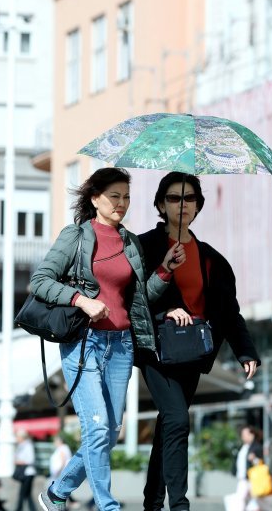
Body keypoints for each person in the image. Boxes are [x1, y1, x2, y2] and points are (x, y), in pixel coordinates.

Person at [30, 167, 183, 511]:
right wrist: (81, 300)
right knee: (97, 428)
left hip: (121, 345)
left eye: (126, 197)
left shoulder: (129, 242)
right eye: (114, 196)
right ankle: (107, 506)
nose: (122, 203)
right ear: (95, 198)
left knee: (109, 432)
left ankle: (56, 493)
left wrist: (165, 270)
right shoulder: (77, 236)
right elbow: (40, 280)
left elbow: (140, 296)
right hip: (84, 344)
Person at [138, 172, 261, 511]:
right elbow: (134, 297)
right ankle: (179, 505)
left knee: (169, 427)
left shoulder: (212, 259)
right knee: (177, 420)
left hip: (192, 353)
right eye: (174, 198)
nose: (182, 204)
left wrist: (245, 351)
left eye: (189, 198)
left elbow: (228, 312)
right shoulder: (143, 246)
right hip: (156, 350)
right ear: (161, 204)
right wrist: (166, 308)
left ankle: (152, 502)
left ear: (198, 206)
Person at [223, 426, 268, 511]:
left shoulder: (256, 447)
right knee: (254, 501)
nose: (243, 436)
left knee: (241, 499)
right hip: (243, 478)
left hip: (252, 478)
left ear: (252, 435)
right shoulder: (242, 447)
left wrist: (254, 459)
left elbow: (261, 463)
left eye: (245, 434)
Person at [13, 429, 36, 511]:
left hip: (28, 473)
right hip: (25, 473)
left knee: (23, 494)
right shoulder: (21, 446)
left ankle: (19, 509)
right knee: (27, 494)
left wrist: (19, 462)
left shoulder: (28, 445)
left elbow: (30, 460)